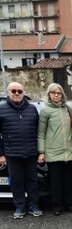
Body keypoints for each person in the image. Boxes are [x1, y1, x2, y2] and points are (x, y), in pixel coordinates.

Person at [0, 82, 43, 219]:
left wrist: (40, 151)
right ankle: (19, 207)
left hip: (31, 152)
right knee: (16, 182)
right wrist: (1, 154)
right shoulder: (1, 109)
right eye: (14, 91)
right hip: (12, 154)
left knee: (32, 181)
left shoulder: (32, 109)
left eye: (19, 91)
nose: (17, 93)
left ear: (23, 92)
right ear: (8, 92)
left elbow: (38, 131)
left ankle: (33, 205)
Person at [37, 83, 72, 216]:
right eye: (53, 92)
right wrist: (41, 152)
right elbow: (41, 133)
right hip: (52, 151)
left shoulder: (68, 108)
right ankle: (57, 206)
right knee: (55, 182)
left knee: (68, 181)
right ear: (49, 94)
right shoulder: (45, 110)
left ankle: (69, 205)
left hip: (68, 151)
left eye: (58, 93)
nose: (56, 95)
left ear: (62, 95)